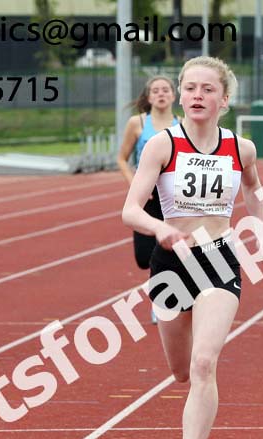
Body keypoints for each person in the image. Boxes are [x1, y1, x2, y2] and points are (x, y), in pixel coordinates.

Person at [122, 56, 263, 439]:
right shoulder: (162, 146)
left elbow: (252, 189)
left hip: (219, 257)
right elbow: (130, 209)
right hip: (171, 264)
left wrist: (262, 235)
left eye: (207, 89)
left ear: (224, 99)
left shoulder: (240, 148)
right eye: (189, 88)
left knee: (204, 363)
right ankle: (175, 343)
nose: (196, 96)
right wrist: (160, 228)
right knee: (179, 372)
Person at [117, 76, 180, 323]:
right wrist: (135, 184)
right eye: (156, 90)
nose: (161, 94)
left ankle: (162, 301)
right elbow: (122, 158)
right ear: (149, 96)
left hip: (173, 199)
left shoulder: (182, 124)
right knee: (144, 257)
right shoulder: (138, 123)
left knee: (170, 249)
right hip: (147, 198)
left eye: (166, 90)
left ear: (174, 96)